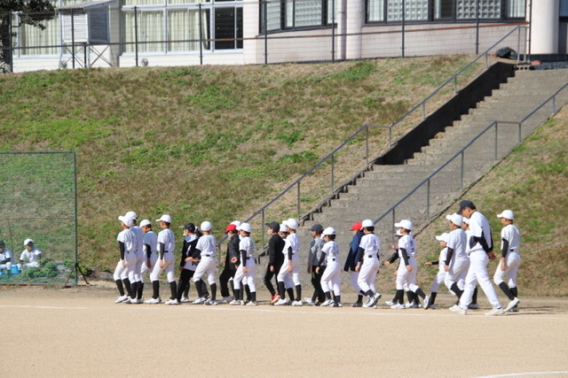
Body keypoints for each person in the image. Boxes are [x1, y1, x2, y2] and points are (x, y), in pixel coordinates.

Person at [450, 200, 505, 316]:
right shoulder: (482, 217)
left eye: (462, 211)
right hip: (480, 252)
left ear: (468, 209)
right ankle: (462, 306)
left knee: (483, 280)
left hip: (478, 252)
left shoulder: (474, 218)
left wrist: (488, 250)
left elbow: (479, 236)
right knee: (470, 281)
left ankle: (497, 306)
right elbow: (488, 234)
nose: (462, 215)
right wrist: (489, 249)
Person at [385, 220, 427, 309]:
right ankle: (425, 297)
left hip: (406, 262)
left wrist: (406, 264)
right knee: (410, 284)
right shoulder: (412, 239)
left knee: (399, 282)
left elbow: (404, 252)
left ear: (404, 229)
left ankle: (400, 303)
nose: (400, 229)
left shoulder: (403, 239)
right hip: (413, 260)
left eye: (401, 227)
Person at [494, 210, 521, 312]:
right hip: (517, 254)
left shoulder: (506, 229)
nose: (501, 220)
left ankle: (512, 299)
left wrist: (503, 258)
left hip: (509, 254)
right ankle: (515, 306)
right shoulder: (515, 229)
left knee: (497, 277)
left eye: (501, 218)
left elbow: (505, 244)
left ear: (505, 219)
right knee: (512, 280)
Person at [145, 214, 176, 305]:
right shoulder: (171, 232)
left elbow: (162, 245)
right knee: (170, 276)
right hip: (171, 254)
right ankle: (174, 297)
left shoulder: (162, 233)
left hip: (165, 254)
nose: (159, 224)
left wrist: (161, 258)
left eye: (160, 222)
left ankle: (156, 297)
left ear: (163, 223)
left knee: (153, 275)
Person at [440, 213, 469, 308]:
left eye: (450, 222)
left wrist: (447, 263)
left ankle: (463, 298)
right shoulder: (464, 233)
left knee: (448, 280)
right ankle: (460, 304)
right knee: (460, 282)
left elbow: (450, 249)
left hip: (458, 259)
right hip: (466, 259)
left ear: (454, 224)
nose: (450, 223)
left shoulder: (453, 234)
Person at [355, 219, 381, 309]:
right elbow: (378, 252)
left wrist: (358, 264)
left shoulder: (365, 237)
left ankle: (373, 295)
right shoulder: (376, 237)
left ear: (365, 228)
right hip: (375, 260)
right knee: (370, 281)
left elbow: (360, 251)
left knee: (361, 281)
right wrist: (378, 266)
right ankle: (373, 303)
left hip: (368, 259)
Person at [275, 218, 302, 306]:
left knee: (280, 276)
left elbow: (289, 249)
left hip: (289, 257)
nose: (286, 227)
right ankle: (298, 299)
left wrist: (289, 263)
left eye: (287, 226)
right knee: (296, 278)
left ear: (289, 228)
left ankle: (282, 298)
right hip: (296, 257)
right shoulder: (296, 236)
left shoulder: (290, 237)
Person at [191, 221, 218, 305]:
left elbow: (198, 251)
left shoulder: (201, 238)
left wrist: (192, 257)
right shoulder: (212, 237)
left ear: (202, 229)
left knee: (196, 277)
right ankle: (213, 299)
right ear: (210, 228)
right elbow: (216, 246)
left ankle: (201, 297)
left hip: (205, 259)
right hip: (212, 259)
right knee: (211, 279)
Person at [175, 222, 202, 304]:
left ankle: (177, 297)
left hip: (189, 262)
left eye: (184, 229)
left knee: (183, 280)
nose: (184, 231)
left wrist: (182, 264)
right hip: (198, 261)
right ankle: (203, 295)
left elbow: (185, 253)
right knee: (198, 279)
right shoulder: (199, 238)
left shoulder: (188, 239)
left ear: (187, 230)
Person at [232, 223, 257, 306]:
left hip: (246, 261)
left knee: (236, 279)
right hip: (252, 260)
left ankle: (237, 299)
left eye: (241, 230)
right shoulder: (251, 239)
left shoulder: (243, 241)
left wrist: (243, 265)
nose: (239, 231)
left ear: (244, 231)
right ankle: (253, 300)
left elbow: (243, 252)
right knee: (250, 281)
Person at [423, 233, 449, 310]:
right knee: (452, 286)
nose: (440, 242)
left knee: (435, 285)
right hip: (448, 270)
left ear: (446, 242)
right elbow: (442, 261)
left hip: (443, 271)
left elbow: (444, 262)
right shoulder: (450, 250)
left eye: (441, 241)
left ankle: (431, 303)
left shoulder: (444, 251)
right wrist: (432, 263)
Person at [114, 215, 136, 303]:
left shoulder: (122, 234)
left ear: (124, 224)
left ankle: (122, 295)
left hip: (126, 255)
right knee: (127, 275)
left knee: (116, 275)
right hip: (133, 255)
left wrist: (122, 259)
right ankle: (132, 295)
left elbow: (121, 247)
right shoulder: (132, 233)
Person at [318, 227, 342, 307]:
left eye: (324, 236)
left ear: (327, 236)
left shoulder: (327, 244)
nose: (324, 238)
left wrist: (318, 265)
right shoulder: (336, 244)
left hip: (331, 263)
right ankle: (338, 301)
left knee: (323, 281)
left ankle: (329, 299)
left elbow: (322, 255)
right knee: (335, 283)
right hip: (337, 263)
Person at [344, 222, 365, 307]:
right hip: (365, 262)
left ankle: (370, 294)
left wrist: (347, 265)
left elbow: (353, 251)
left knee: (354, 281)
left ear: (358, 230)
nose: (353, 232)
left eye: (354, 230)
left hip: (356, 262)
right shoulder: (366, 236)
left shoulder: (357, 237)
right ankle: (359, 300)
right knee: (361, 282)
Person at [263, 221, 285, 304]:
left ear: (273, 229)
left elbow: (272, 253)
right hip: (281, 262)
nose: (268, 230)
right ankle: (281, 296)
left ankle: (274, 294)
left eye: (269, 228)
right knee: (278, 279)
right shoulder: (281, 239)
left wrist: (271, 264)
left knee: (266, 279)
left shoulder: (273, 240)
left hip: (274, 263)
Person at [219, 223, 240, 303]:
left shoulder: (233, 241)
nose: (228, 234)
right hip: (232, 264)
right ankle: (237, 296)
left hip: (232, 265)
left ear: (231, 232)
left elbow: (232, 253)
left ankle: (229, 296)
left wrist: (234, 263)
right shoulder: (239, 239)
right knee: (236, 280)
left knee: (223, 278)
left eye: (228, 232)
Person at [306, 224, 325, 306]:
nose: (311, 233)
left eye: (312, 231)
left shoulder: (315, 242)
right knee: (319, 282)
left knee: (315, 281)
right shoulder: (324, 241)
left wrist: (309, 265)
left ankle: (322, 298)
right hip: (323, 264)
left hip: (315, 264)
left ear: (316, 232)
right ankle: (315, 299)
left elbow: (312, 254)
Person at [139, 219, 158, 302]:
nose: (142, 230)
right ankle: (156, 296)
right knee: (153, 276)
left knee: (139, 275)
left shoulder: (147, 236)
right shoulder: (154, 234)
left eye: (142, 228)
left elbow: (148, 248)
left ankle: (139, 296)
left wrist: (148, 260)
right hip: (155, 255)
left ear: (145, 227)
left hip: (148, 256)